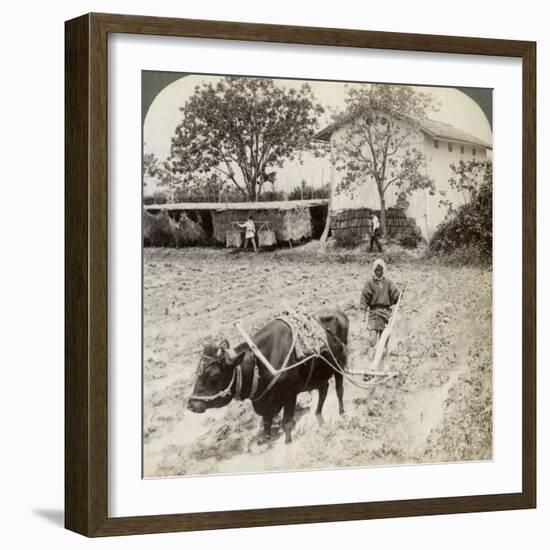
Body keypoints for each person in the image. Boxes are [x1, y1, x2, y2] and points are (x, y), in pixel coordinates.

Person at [360, 258, 400, 374]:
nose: (378, 272)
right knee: (372, 340)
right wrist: (363, 314)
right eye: (376, 270)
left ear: (383, 270)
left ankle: (383, 365)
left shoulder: (388, 283)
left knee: (384, 341)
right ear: (374, 271)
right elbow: (364, 299)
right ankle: (371, 364)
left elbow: (395, 296)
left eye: (380, 270)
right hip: (373, 314)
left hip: (385, 314)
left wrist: (400, 293)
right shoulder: (369, 283)